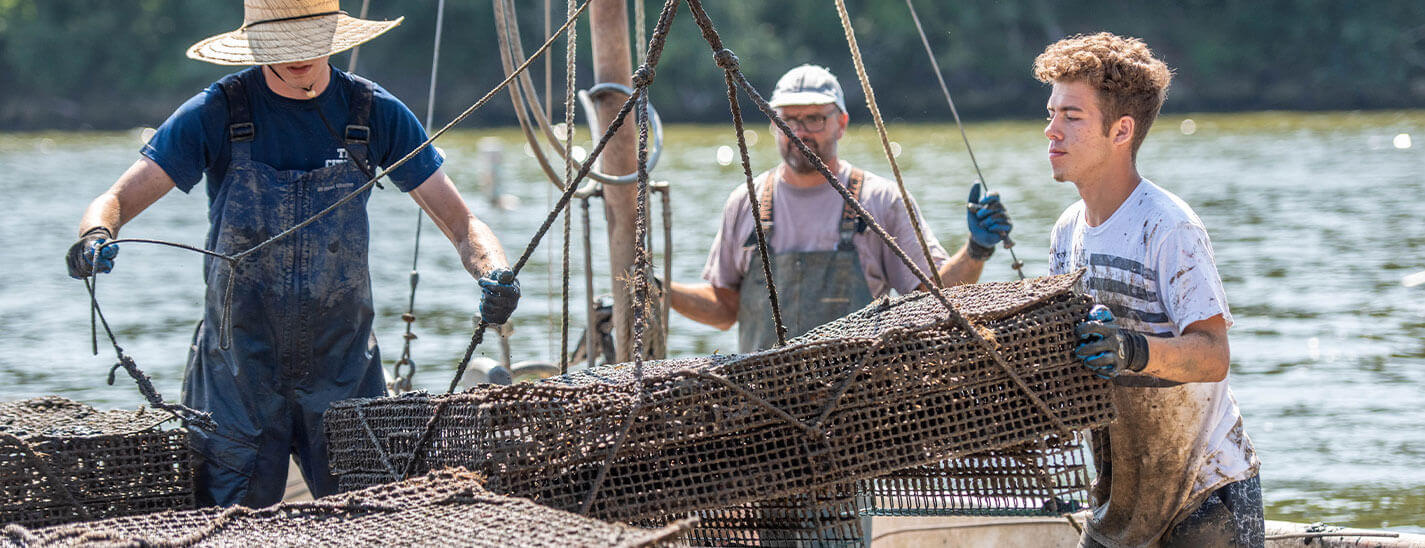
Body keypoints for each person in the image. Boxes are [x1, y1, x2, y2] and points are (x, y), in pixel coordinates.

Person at [63, 0, 521, 507]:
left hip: (344, 365)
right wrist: (94, 236)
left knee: (369, 515)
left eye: (309, 41)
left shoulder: (375, 114)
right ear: (257, 43)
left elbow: (463, 224)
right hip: (237, 369)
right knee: (227, 522)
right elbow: (115, 200)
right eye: (284, 44)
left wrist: (494, 272)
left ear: (332, 36)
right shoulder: (217, 111)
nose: (299, 56)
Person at [1035, 33, 1263, 547]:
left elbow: (1212, 355)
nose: (1051, 131)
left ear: (1121, 131)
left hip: (1205, 492)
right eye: (1051, 114)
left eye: (1071, 117)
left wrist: (1130, 350)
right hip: (1123, 496)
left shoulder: (1168, 227)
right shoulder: (1066, 230)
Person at [670, 64, 1014, 352]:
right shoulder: (745, 200)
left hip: (859, 407)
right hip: (763, 410)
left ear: (842, 123)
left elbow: (933, 299)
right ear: (774, 123)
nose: (800, 132)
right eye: (789, 119)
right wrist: (658, 290)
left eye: (815, 119)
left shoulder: (881, 200)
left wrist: (976, 250)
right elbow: (725, 309)